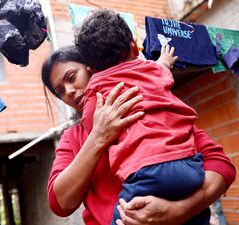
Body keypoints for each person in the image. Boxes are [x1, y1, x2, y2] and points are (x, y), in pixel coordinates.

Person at [42, 45, 236, 225]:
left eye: (71, 77)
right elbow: (60, 203)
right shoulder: (73, 137)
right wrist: (97, 137)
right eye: (60, 91)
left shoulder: (146, 106)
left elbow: (221, 166)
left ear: (92, 68)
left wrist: (177, 211)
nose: (68, 91)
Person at [74, 9, 214, 224]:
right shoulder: (151, 69)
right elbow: (163, 69)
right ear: (133, 46)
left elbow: (91, 121)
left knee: (123, 217)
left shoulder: (97, 88)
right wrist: (165, 59)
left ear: (91, 69)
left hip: (148, 174)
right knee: (196, 215)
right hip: (192, 166)